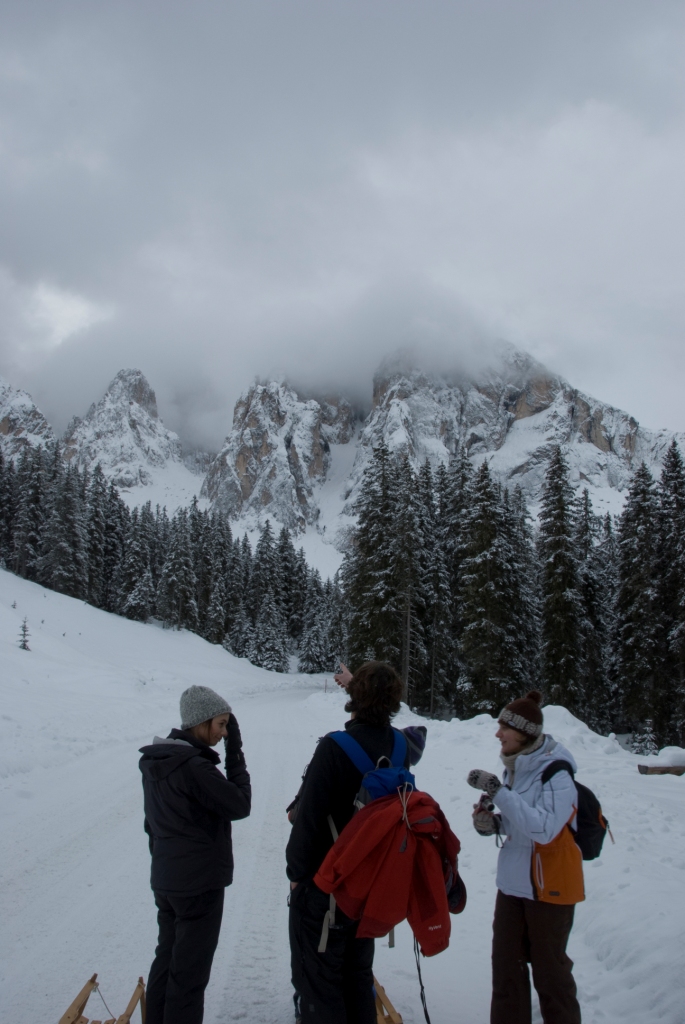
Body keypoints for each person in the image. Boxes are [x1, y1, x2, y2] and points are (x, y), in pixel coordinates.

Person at [286, 661, 426, 1024]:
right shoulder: (400, 746)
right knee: (357, 972)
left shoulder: (334, 747)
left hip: (326, 883)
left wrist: (297, 875)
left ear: (354, 698)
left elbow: (308, 819)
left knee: (319, 978)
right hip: (372, 883)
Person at [467, 690, 583, 1024]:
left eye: (505, 727)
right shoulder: (515, 767)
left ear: (525, 733)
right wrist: (493, 824)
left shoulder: (557, 772)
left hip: (552, 888)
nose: (497, 733)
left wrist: (499, 793)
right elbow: (522, 823)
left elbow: (545, 830)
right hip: (514, 885)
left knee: (552, 978)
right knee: (506, 973)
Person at [139, 684, 251, 1024]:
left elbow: (152, 823)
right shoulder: (194, 766)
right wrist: (236, 753)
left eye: (227, 725)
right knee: (189, 976)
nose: (224, 732)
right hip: (198, 885)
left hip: (166, 880)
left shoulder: (155, 761)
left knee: (166, 959)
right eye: (220, 724)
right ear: (199, 723)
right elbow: (240, 804)